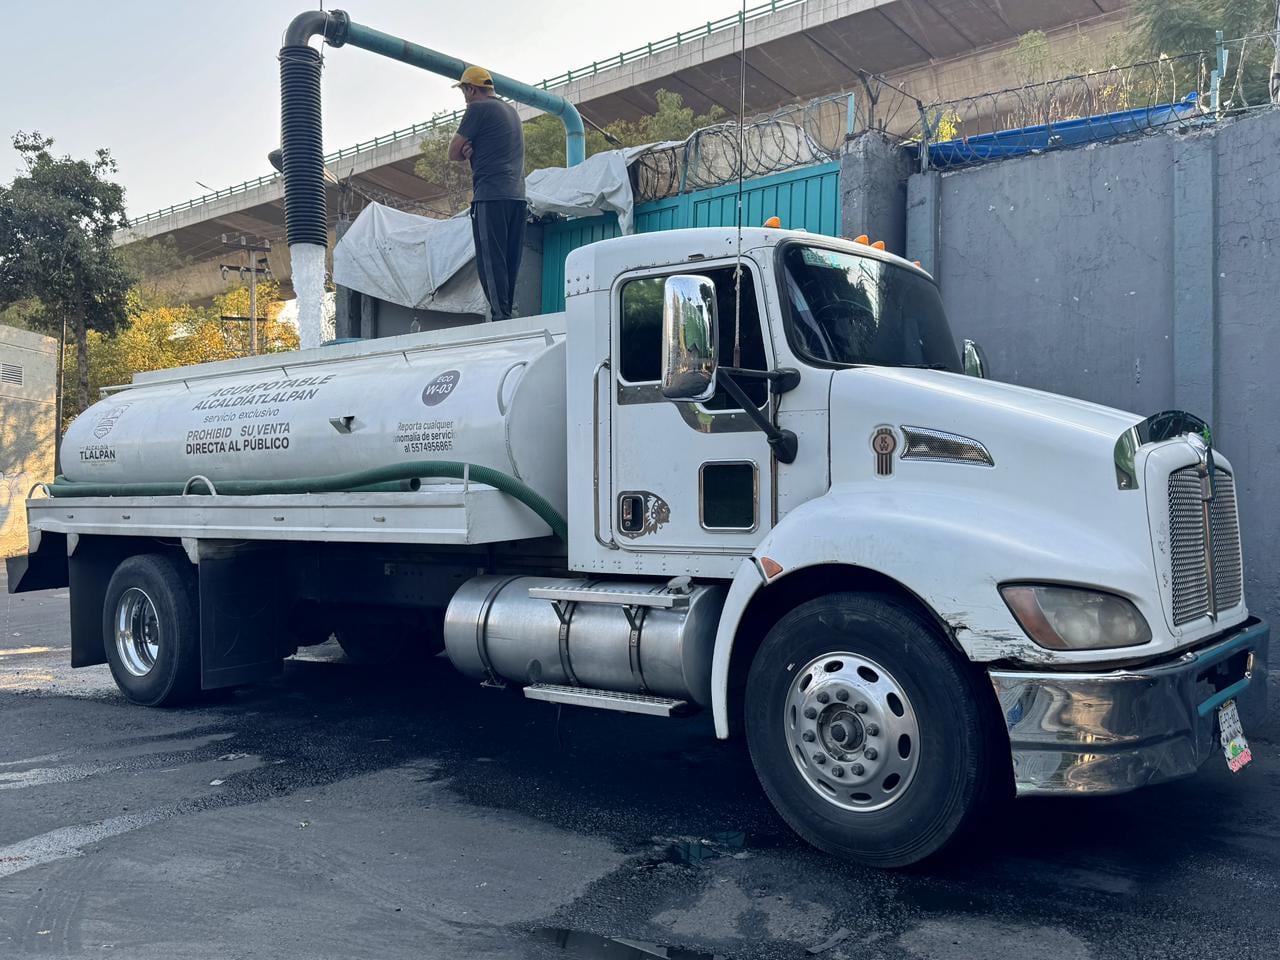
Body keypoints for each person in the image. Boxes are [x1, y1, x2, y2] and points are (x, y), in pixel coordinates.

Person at [449, 66, 526, 321]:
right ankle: (508, 313)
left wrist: (465, 150)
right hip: (517, 196)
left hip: (490, 195)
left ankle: (500, 318)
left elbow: (453, 152)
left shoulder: (477, 109)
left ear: (472, 88)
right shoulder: (512, 112)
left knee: (491, 262)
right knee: (509, 261)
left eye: (464, 91)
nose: (464, 97)